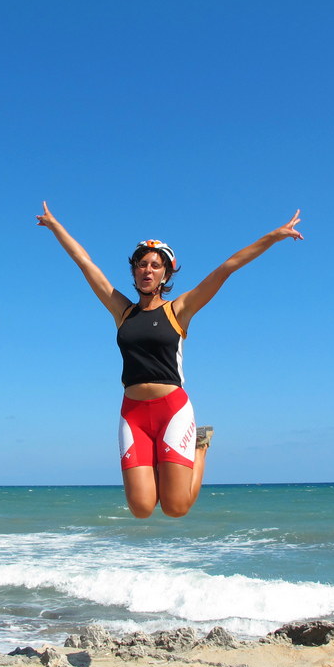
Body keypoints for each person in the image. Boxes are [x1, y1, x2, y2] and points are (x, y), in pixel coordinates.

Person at [36, 202, 303, 518]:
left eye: (155, 265)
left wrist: (274, 236)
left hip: (172, 410)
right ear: (134, 271)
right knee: (142, 508)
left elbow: (227, 267)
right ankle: (176, 461)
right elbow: (85, 263)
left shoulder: (179, 310)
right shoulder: (122, 311)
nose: (147, 270)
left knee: (175, 508)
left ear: (166, 273)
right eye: (141, 264)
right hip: (133, 414)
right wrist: (55, 227)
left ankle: (200, 448)